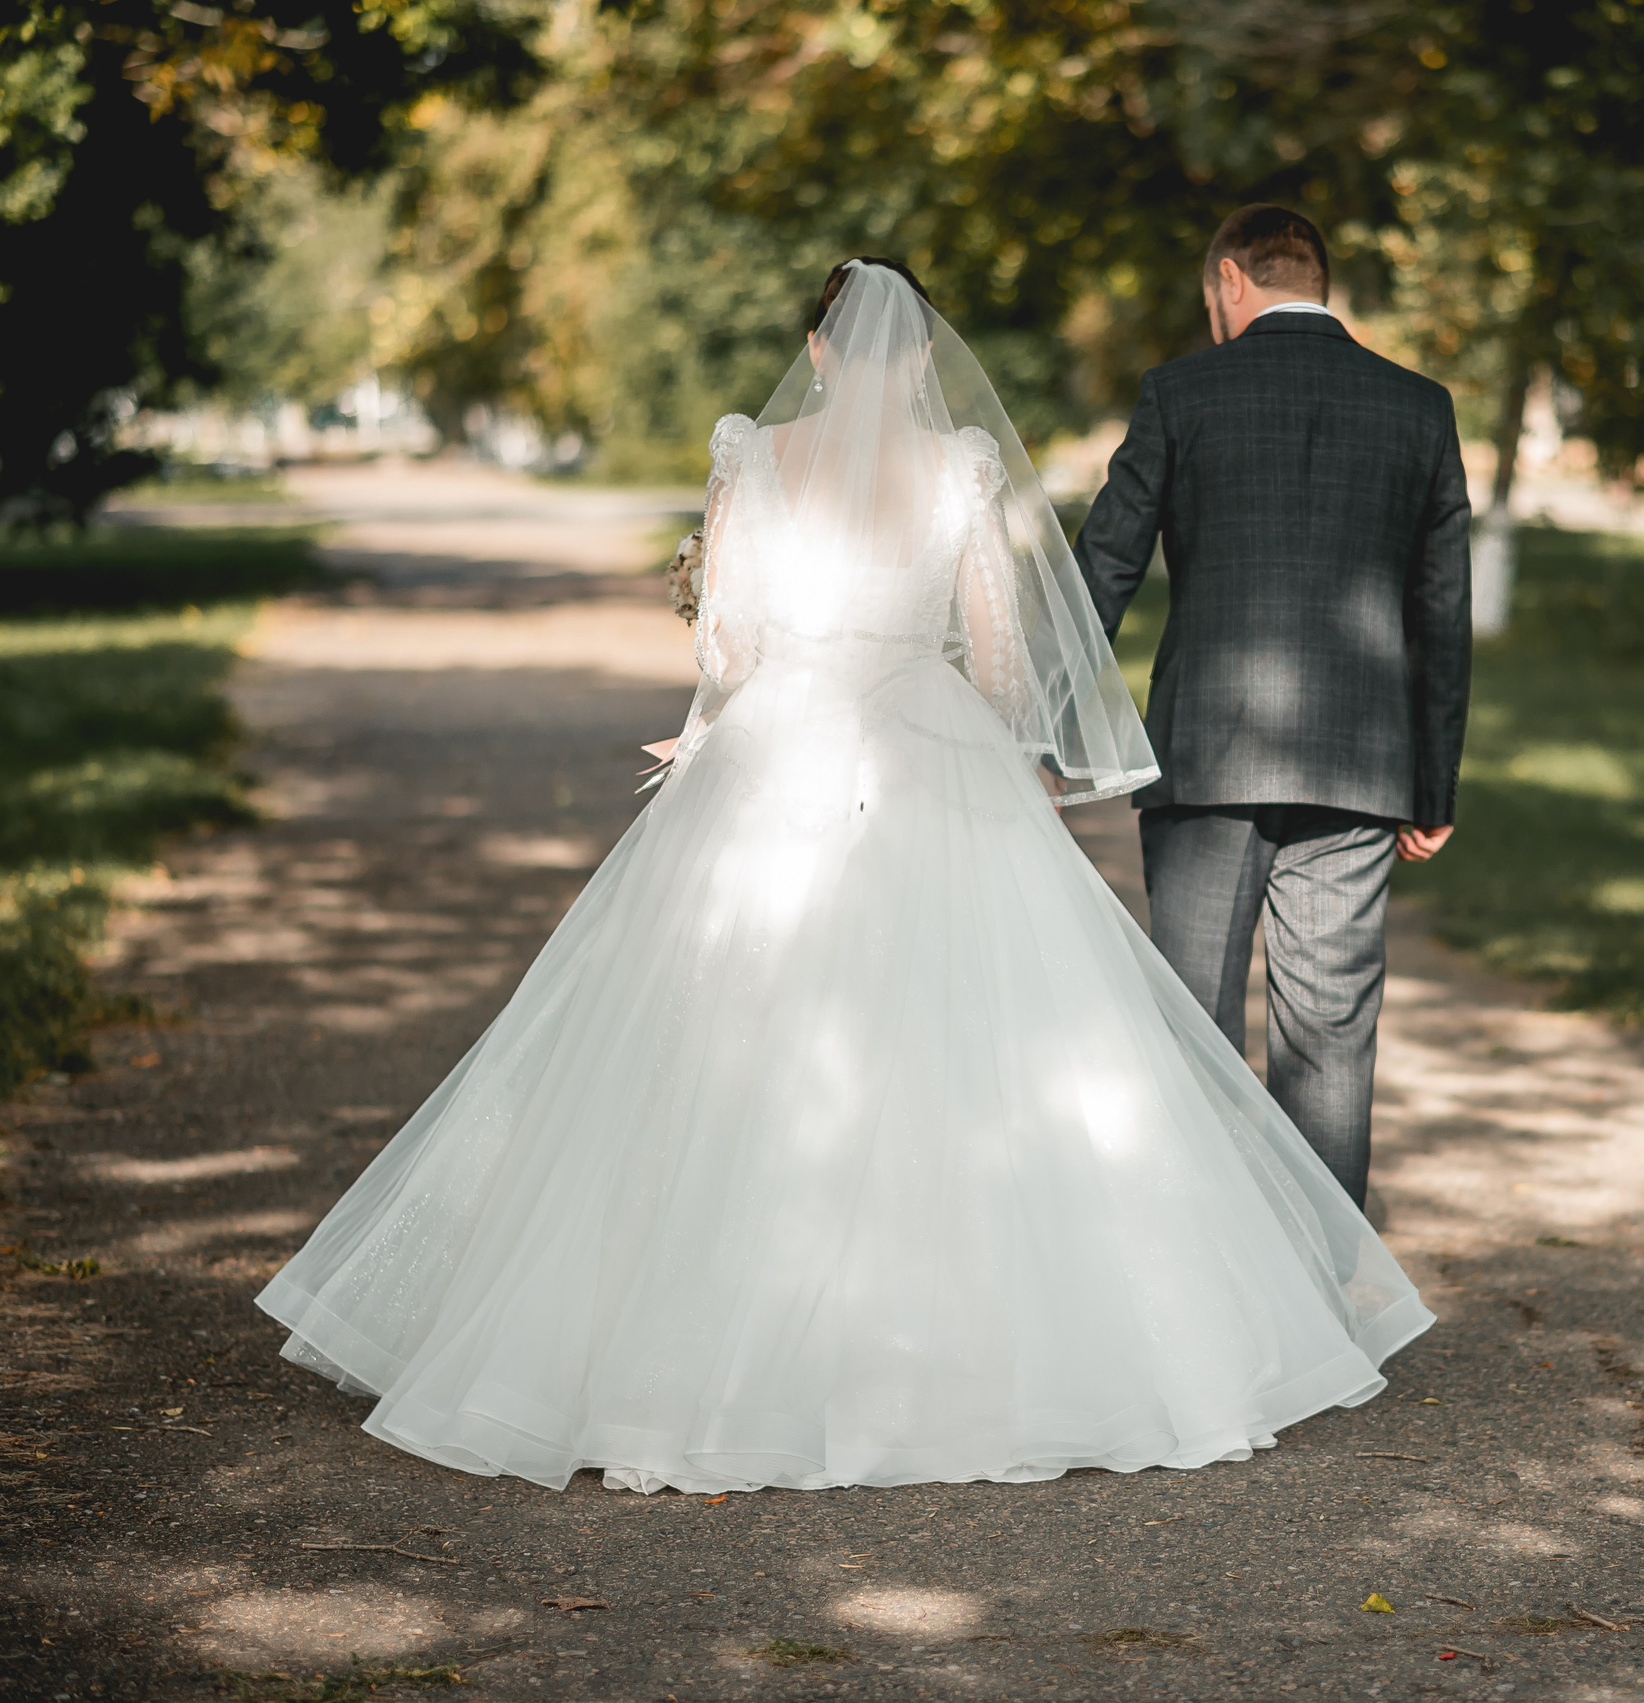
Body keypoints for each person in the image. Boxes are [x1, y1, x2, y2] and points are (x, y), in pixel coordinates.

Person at [256, 259, 1432, 1495]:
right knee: (987, 1029)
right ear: (921, 358)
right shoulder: (960, 465)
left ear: (816, 352)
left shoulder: (754, 458)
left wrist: (710, 725)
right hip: (928, 739)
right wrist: (998, 752)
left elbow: (731, 644)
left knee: (716, 1023)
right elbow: (993, 651)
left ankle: (685, 1357)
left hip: (780, 744)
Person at [1076, 205, 1474, 1212]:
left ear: (1228, 280)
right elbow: (1441, 612)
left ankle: (1207, 1299)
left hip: (1208, 759)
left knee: (1195, 1031)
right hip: (1358, 769)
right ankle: (1322, 1311)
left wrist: (1051, 727)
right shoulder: (1418, 406)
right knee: (1330, 1041)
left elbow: (1103, 568)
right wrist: (1433, 785)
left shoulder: (1180, 393)